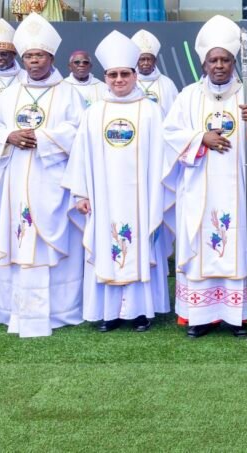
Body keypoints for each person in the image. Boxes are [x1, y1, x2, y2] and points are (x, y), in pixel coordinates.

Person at [0, 12, 88, 338]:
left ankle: (60, 312)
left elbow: (78, 131)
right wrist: (8, 136)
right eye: (28, 56)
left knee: (53, 241)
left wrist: (43, 138)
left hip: (52, 179)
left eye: (39, 55)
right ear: (22, 59)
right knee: (19, 237)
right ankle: (15, 311)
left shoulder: (69, 93)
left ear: (51, 57)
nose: (34, 61)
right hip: (16, 178)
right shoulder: (8, 94)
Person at [163, 15, 247, 339]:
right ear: (204, 64)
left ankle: (237, 316)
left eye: (225, 59)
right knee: (200, 245)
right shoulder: (188, 96)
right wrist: (201, 138)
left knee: (238, 244)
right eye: (214, 60)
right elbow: (169, 135)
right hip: (199, 189)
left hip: (239, 189)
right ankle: (200, 316)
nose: (220, 65)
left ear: (234, 61)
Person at [62, 30, 174, 333]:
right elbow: (80, 156)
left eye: (125, 73)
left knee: (141, 245)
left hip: (143, 197)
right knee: (105, 245)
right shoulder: (94, 113)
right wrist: (81, 194)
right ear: (105, 77)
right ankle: (108, 312)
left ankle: (141, 312)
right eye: (113, 75)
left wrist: (160, 194)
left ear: (136, 75)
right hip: (104, 196)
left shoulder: (151, 111)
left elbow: (164, 157)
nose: (119, 79)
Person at [132, 30, 180, 115]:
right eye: (142, 59)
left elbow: (175, 112)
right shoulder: (130, 82)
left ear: (155, 61)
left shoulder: (167, 83)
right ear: (136, 61)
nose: (146, 63)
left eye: (149, 59)